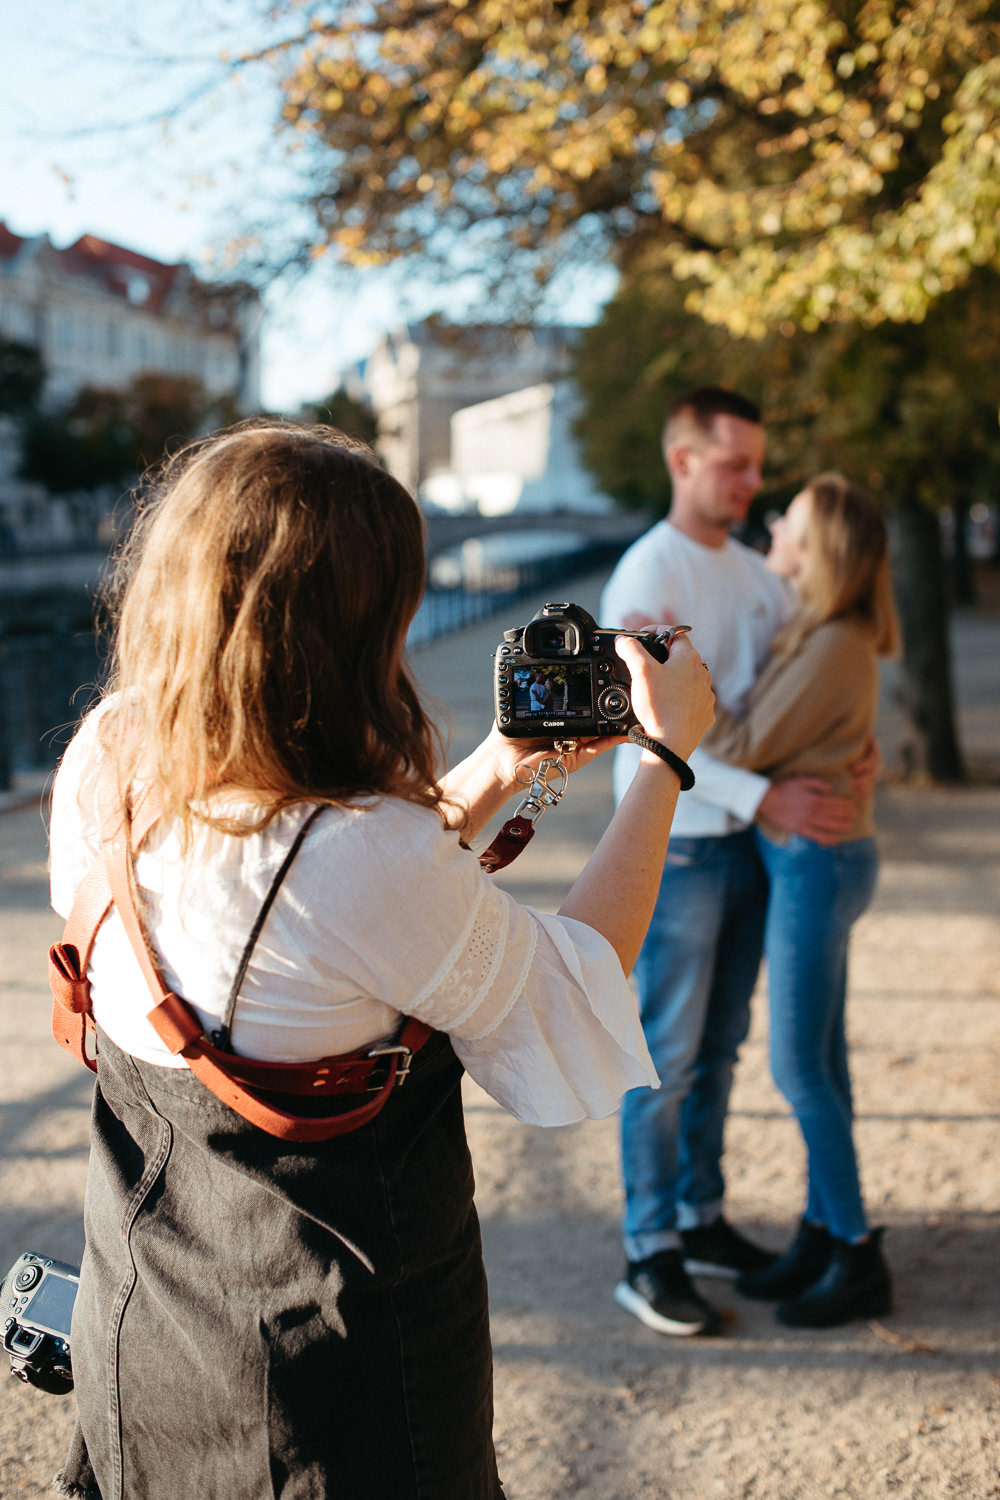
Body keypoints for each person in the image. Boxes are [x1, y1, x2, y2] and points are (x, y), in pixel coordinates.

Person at [48, 421, 715, 1500]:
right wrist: (663, 765)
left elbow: (314, 927)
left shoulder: (109, 755)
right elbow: (575, 993)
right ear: (356, 625)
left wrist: (503, 766)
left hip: (146, 1334)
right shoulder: (366, 857)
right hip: (335, 1391)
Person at [601, 388, 863, 1338]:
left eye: (757, 464)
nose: (754, 481)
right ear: (682, 462)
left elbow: (803, 685)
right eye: (735, 465)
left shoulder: (760, 576)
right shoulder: (645, 574)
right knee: (665, 1054)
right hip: (679, 852)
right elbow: (648, 729)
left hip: (754, 850)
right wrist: (765, 797)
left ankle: (701, 1219)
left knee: (718, 1049)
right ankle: (649, 1249)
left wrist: (854, 750)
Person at [700, 472, 898, 1327]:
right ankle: (822, 1230)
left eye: (794, 521)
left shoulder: (831, 645)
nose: (774, 522)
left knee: (797, 1067)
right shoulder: (818, 633)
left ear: (818, 552)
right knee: (826, 1062)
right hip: (815, 858)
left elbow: (742, 742)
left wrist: (663, 687)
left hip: (817, 863)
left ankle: (856, 1252)